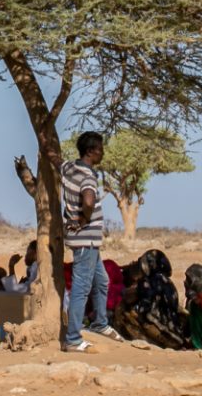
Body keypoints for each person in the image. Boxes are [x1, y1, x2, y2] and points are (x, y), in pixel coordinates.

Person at [60, 131, 125, 352]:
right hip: (85, 239)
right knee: (81, 287)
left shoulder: (69, 168)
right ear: (91, 151)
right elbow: (88, 200)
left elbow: (54, 158)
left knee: (102, 281)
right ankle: (73, 339)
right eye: (100, 149)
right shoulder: (88, 177)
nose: (102, 153)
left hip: (88, 241)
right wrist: (84, 220)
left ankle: (99, 324)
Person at [116, 249, 188, 349]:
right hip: (175, 333)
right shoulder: (166, 281)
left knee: (122, 310)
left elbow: (133, 301)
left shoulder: (149, 281)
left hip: (163, 333)